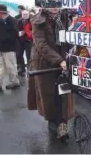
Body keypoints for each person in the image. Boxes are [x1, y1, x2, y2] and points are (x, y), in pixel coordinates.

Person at [27, 9, 74, 141]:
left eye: (57, 5)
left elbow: (70, 39)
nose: (55, 8)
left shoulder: (65, 18)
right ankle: (53, 121)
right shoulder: (38, 20)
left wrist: (72, 56)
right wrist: (59, 60)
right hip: (45, 63)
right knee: (49, 94)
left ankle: (62, 123)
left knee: (64, 92)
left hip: (64, 60)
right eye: (51, 6)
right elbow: (41, 45)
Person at [0, 4, 20, 90]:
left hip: (9, 47)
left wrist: (2, 39)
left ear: (1, 13)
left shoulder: (11, 20)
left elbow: (15, 34)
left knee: (10, 66)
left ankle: (14, 82)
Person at [16, 10, 33, 76]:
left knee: (28, 56)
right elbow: (16, 29)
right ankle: (22, 68)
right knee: (19, 54)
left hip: (28, 40)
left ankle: (29, 68)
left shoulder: (31, 21)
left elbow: (33, 30)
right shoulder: (19, 21)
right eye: (23, 14)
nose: (25, 15)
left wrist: (26, 32)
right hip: (20, 40)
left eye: (26, 14)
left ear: (28, 14)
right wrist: (19, 32)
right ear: (21, 14)